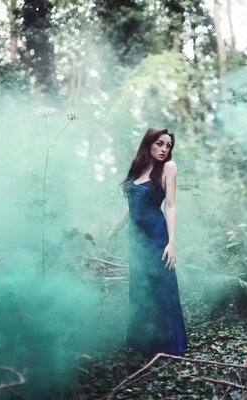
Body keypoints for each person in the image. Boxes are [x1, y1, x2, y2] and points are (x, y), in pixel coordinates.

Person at [108, 127, 187, 355]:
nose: (164, 149)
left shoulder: (168, 168)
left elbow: (170, 205)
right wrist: (114, 229)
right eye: (160, 144)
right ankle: (144, 341)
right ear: (149, 143)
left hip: (156, 234)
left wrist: (171, 243)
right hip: (136, 237)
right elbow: (132, 206)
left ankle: (170, 344)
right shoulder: (139, 168)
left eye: (168, 145)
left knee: (161, 284)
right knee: (141, 286)